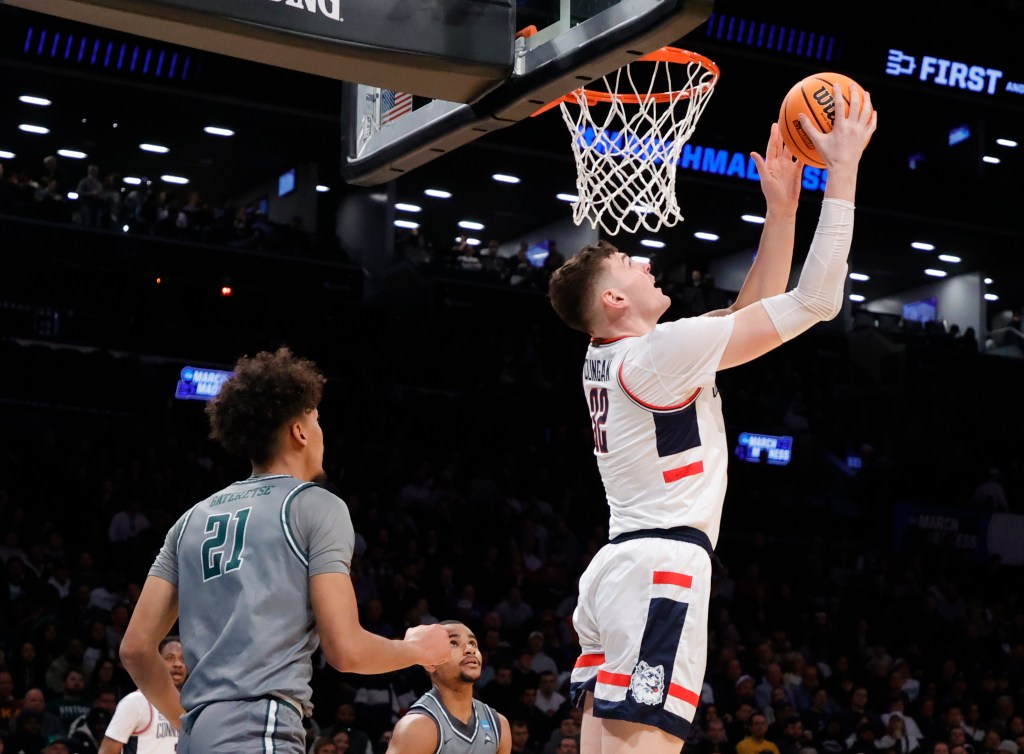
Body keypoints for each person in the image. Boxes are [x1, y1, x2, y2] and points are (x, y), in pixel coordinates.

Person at [547, 86, 877, 754]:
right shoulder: (658, 354)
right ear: (614, 297)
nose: (645, 262)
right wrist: (841, 172)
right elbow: (814, 301)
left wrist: (781, 213)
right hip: (660, 568)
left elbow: (743, 320)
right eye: (629, 264)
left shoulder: (615, 355)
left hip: (620, 569)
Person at [119, 347, 450, 753]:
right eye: (317, 419)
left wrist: (185, 721)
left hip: (196, 737)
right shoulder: (315, 504)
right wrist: (417, 650)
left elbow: (135, 648)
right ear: (300, 431)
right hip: (259, 725)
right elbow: (345, 650)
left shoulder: (188, 520)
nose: (321, 431)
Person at [386, 620, 511, 753]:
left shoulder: (499, 724)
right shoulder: (417, 727)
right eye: (453, 643)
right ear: (430, 663)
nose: (470, 649)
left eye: (472, 643)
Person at [98, 638, 187, 754]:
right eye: (170, 658)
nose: (177, 664)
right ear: (156, 662)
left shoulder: (191, 705)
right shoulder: (136, 702)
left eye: (183, 659)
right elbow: (107, 751)